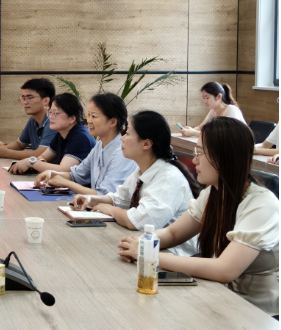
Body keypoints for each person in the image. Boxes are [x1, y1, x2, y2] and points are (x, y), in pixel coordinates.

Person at [117, 118, 278, 317]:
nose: (194, 161)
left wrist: (151, 256)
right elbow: (174, 233)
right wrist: (144, 244)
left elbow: (224, 270)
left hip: (256, 312)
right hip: (217, 297)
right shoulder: (213, 193)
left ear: (224, 157)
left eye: (200, 153)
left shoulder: (262, 204)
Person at [71, 110, 198, 256]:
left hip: (174, 254)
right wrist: (90, 199)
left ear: (146, 144)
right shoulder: (142, 170)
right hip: (147, 246)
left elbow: (140, 222)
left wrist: (111, 210)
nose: (122, 139)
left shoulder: (168, 178)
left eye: (127, 134)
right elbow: (119, 198)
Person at [34, 93, 137, 195]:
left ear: (112, 122)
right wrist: (51, 173)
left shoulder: (122, 152)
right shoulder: (99, 145)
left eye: (94, 116)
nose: (89, 120)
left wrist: (65, 182)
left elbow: (105, 195)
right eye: (88, 115)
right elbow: (77, 175)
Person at [10, 93, 95, 175]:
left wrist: (31, 163)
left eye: (55, 113)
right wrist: (30, 163)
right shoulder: (61, 133)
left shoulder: (81, 138)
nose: (50, 117)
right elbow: (44, 158)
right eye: (50, 112)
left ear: (72, 118)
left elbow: (64, 170)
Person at [0, 78, 57, 160]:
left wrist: (6, 153)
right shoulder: (33, 120)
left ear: (46, 100)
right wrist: (1, 148)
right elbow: (19, 144)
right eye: (24, 98)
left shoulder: (53, 121)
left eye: (30, 98)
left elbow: (41, 155)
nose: (25, 102)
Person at [180, 82, 245, 136]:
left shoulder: (232, 110)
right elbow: (201, 127)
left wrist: (193, 132)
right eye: (203, 98)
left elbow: (223, 135)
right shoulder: (213, 111)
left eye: (207, 98)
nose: (205, 101)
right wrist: (190, 130)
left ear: (219, 96)